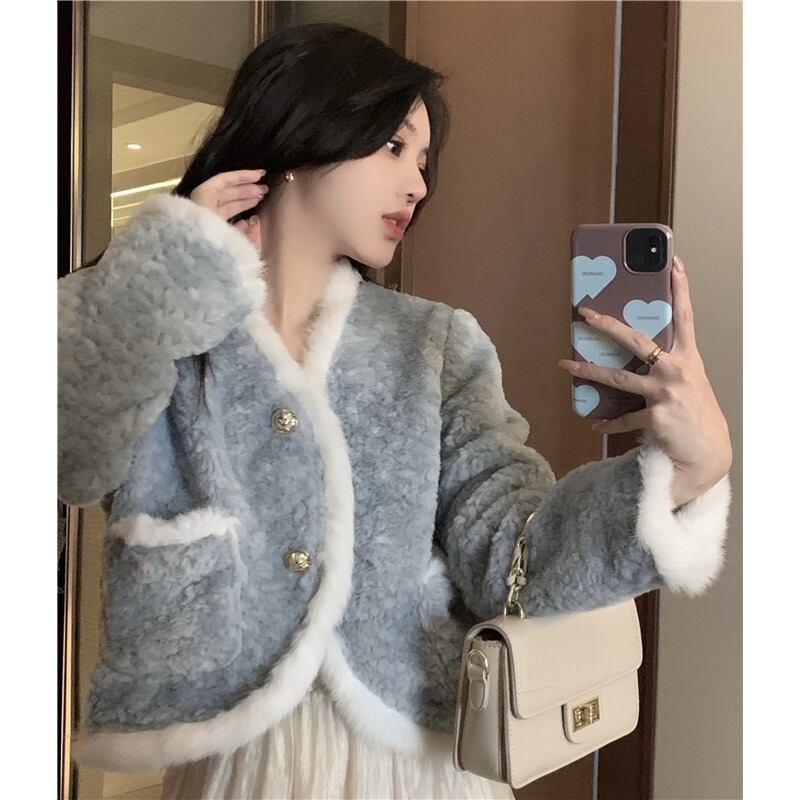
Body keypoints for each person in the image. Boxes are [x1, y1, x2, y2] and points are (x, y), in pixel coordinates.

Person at [59, 22, 733, 800]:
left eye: (423, 161)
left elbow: (512, 558)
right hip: (241, 764)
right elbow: (68, 451)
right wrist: (168, 272)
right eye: (393, 147)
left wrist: (684, 475)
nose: (417, 184)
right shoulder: (161, 314)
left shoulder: (435, 344)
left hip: (419, 763)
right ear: (304, 130)